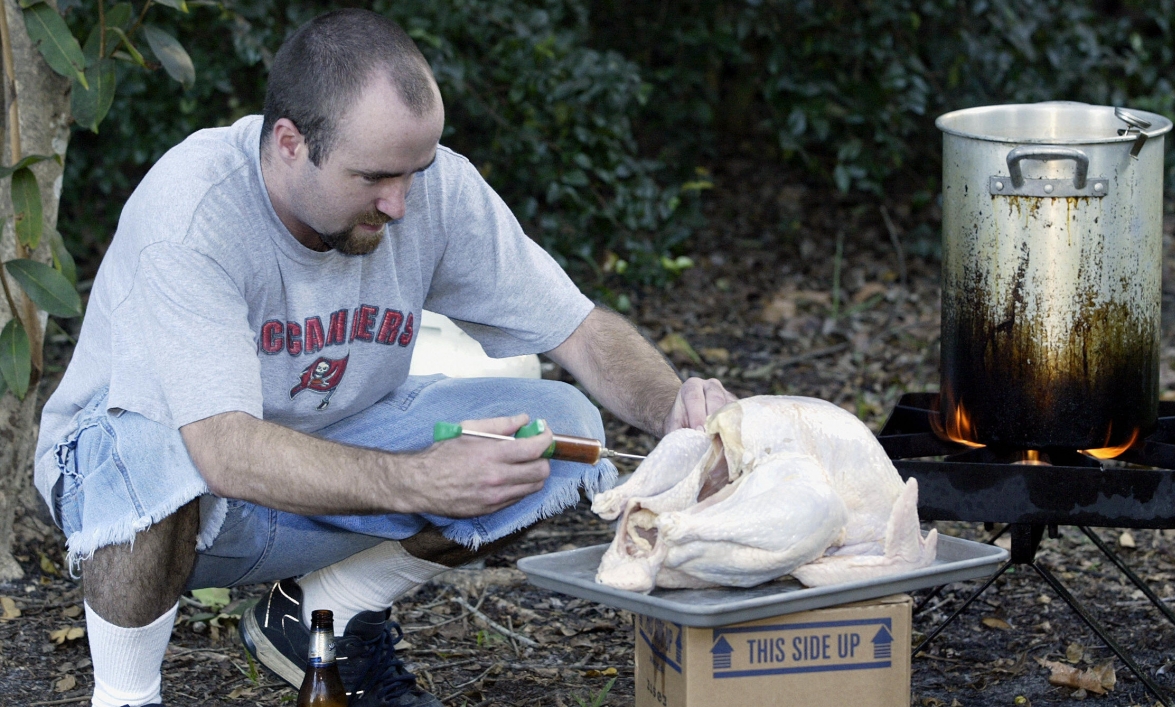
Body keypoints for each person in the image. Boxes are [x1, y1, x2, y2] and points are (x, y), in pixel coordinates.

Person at [35, 9, 734, 707]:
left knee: (556, 428)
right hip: (162, 486)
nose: (399, 203)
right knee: (143, 440)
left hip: (333, 463)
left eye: (415, 171)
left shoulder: (430, 190)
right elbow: (224, 451)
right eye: (373, 177)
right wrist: (417, 482)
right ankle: (126, 693)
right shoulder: (195, 208)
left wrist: (672, 404)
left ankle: (325, 617)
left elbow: (577, 328)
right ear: (288, 142)